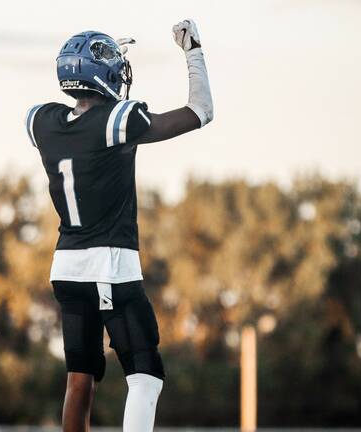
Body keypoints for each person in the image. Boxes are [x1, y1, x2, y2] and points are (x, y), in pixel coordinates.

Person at [25, 19, 213, 432]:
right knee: (145, 374)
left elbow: (82, 129)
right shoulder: (117, 121)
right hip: (109, 265)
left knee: (80, 378)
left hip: (66, 269)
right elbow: (202, 111)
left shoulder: (42, 121)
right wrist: (193, 53)